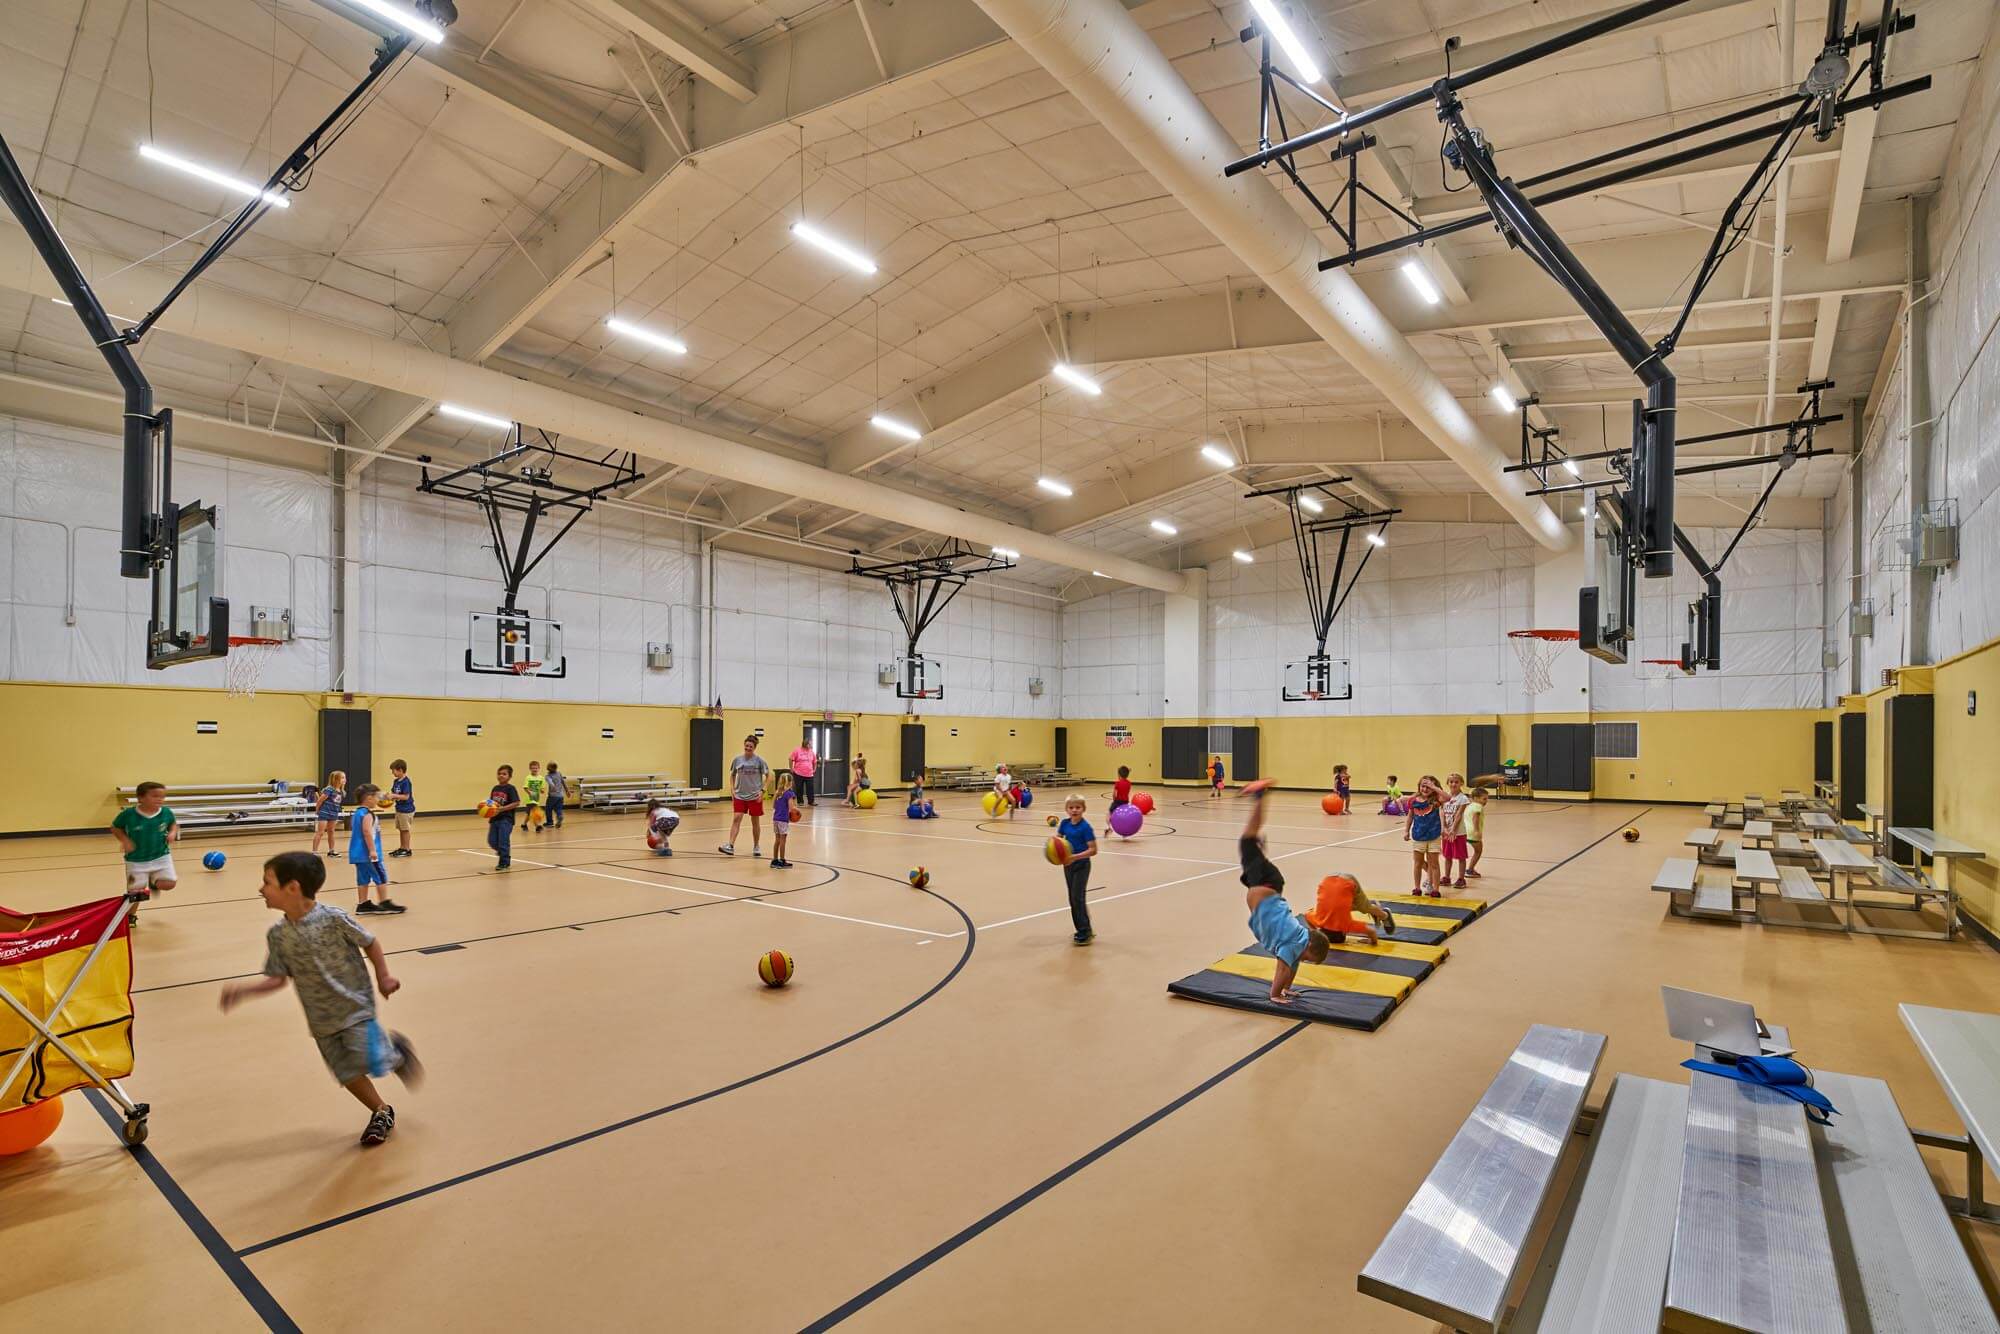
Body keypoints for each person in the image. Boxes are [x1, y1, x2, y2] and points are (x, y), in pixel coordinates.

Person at [220, 851, 423, 1147]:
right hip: (320, 1019)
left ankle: (397, 1052)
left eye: (267, 883)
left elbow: (370, 942)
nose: (260, 889)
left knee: (370, 1058)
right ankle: (381, 1112)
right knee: (347, 1072)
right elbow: (277, 978)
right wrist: (244, 991)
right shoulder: (278, 935)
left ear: (292, 888)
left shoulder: (332, 919)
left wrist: (383, 977)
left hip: (354, 1006)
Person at [1237, 780, 1331, 1003]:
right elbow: (1282, 969)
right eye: (1309, 958)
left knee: (1250, 841)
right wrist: (1276, 995)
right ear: (1309, 945)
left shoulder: (1298, 942)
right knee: (1247, 840)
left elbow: (1292, 967)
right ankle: (1260, 795)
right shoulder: (1294, 944)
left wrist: (1288, 988)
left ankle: (1259, 804)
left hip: (1268, 884)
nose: (1303, 961)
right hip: (1265, 883)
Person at [112, 781, 179, 915]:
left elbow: (173, 824)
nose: (160, 799)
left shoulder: (166, 812)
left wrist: (172, 833)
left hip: (161, 856)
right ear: (141, 798)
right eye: (155, 796)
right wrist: (125, 840)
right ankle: (131, 916)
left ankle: (153, 882)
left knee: (169, 884)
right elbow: (115, 827)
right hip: (136, 860)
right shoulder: (129, 814)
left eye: (162, 796)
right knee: (135, 893)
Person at [349, 784, 403, 915]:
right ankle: (384, 903)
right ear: (368, 798)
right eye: (376, 797)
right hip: (369, 854)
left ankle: (363, 904)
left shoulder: (358, 813)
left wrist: (385, 794)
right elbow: (367, 832)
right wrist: (373, 851)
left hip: (358, 854)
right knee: (381, 876)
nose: (378, 800)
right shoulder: (367, 814)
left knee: (363, 879)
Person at [1304, 872, 1395, 946]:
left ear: (1344, 932)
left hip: (1348, 880)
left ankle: (1385, 915)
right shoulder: (1318, 921)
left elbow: (1372, 932)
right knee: (1338, 907)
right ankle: (1371, 908)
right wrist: (1314, 931)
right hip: (1328, 878)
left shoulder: (1345, 925)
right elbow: (1306, 914)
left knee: (1364, 908)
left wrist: (1372, 942)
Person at [1054, 795, 1098, 944]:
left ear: (1083, 809)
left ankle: (1085, 931)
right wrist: (1057, 853)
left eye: (1078, 807)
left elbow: (1093, 850)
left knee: (1077, 897)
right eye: (1071, 807)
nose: (1074, 810)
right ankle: (1082, 928)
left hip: (1082, 865)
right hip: (1068, 865)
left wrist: (1074, 857)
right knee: (1072, 899)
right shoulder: (1065, 824)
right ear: (1066, 809)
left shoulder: (1085, 827)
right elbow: (1057, 842)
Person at [719, 735, 770, 858]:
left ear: (754, 748)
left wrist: (763, 791)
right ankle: (730, 845)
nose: (748, 748)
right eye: (746, 746)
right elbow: (732, 775)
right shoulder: (737, 760)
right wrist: (732, 789)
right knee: (736, 818)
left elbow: (769, 776)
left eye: (750, 746)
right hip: (739, 795)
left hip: (754, 796)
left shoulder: (759, 761)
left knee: (755, 822)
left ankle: (756, 846)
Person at [1403, 775, 1444, 897]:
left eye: (1428, 787)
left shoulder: (1436, 800)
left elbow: (1447, 797)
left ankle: (1435, 889)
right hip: (1418, 835)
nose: (1425, 789)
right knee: (1418, 863)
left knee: (1434, 864)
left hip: (1434, 836)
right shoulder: (1414, 801)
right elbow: (1410, 816)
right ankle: (1416, 887)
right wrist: (1406, 830)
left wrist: (1435, 788)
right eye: (1423, 786)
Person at [1439, 773, 1471, 890]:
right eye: (1451, 782)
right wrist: (1444, 827)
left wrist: (1453, 830)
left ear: (1461, 783)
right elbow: (1442, 812)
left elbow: (1459, 814)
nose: (1453, 784)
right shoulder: (1444, 797)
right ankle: (1447, 877)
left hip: (1459, 833)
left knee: (1461, 856)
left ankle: (1461, 878)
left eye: (1456, 782)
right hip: (1447, 832)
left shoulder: (1462, 798)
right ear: (1447, 783)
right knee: (1447, 856)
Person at [486, 765, 520, 870]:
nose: (501, 775)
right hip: (494, 819)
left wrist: (502, 809)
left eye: (504, 774)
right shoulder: (495, 788)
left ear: (509, 776)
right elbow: (491, 802)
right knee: (491, 841)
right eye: (499, 773)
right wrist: (485, 807)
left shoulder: (510, 788)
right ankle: (502, 852)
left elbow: (516, 802)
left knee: (503, 841)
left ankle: (504, 862)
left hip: (506, 819)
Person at [313, 771, 347, 858]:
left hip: (333, 814)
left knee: (331, 832)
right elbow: (320, 800)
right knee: (320, 832)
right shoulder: (329, 789)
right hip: (324, 813)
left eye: (345, 777)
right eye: (342, 778)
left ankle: (331, 851)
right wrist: (317, 810)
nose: (345, 780)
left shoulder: (342, 792)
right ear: (336, 779)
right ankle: (315, 852)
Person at [388, 760, 416, 857]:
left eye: (393, 771)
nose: (392, 773)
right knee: (401, 829)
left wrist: (394, 795)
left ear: (400, 770)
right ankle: (402, 847)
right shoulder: (396, 781)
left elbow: (406, 796)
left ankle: (407, 849)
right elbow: (395, 794)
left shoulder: (406, 782)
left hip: (406, 810)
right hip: (399, 809)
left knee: (405, 830)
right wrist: (389, 798)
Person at [1464, 785, 1489, 880]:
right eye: (1484, 799)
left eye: (1487, 799)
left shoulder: (1470, 806)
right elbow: (1475, 818)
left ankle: (1469, 869)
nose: (1486, 801)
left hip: (1465, 832)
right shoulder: (1478, 806)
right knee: (1478, 851)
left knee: (1476, 851)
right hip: (1473, 833)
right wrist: (1477, 830)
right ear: (1475, 798)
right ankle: (1470, 870)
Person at [770, 782, 796, 869]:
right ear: (790, 783)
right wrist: (797, 811)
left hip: (776, 818)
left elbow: (773, 806)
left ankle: (774, 860)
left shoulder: (778, 792)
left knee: (777, 840)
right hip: (783, 820)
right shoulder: (789, 793)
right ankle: (782, 860)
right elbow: (791, 808)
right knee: (783, 840)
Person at [787, 740, 817, 807]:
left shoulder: (812, 752)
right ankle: (800, 801)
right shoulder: (797, 751)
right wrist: (791, 768)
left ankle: (811, 801)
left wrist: (814, 769)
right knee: (799, 788)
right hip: (798, 773)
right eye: (811, 744)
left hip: (809, 774)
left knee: (810, 788)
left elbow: (815, 761)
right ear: (806, 744)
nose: (812, 745)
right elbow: (790, 759)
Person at [521, 760, 547, 834]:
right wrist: (530, 793)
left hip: (536, 798)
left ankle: (524, 824)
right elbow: (525, 787)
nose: (534, 769)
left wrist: (542, 790)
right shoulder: (528, 778)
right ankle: (537, 826)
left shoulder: (541, 778)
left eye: (536, 768)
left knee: (529, 813)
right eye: (532, 768)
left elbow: (542, 787)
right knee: (534, 812)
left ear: (539, 768)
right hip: (529, 799)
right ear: (530, 769)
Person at [545, 761, 567, 829]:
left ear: (548, 769)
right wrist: (567, 791)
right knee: (558, 808)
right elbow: (563, 782)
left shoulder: (548, 776)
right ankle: (559, 816)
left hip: (553, 796)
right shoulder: (559, 773)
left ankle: (550, 823)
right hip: (561, 795)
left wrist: (553, 787)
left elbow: (550, 783)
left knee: (548, 809)